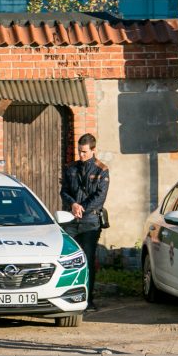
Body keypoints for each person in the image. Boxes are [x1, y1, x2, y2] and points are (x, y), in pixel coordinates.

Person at [60, 133, 110, 312]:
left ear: (93, 150)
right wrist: (73, 204)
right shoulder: (70, 168)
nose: (81, 155)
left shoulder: (101, 170)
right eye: (79, 151)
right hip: (71, 220)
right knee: (68, 258)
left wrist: (82, 208)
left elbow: (100, 197)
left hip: (90, 221)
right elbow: (64, 191)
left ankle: (88, 300)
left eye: (84, 152)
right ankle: (67, 296)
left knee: (88, 259)